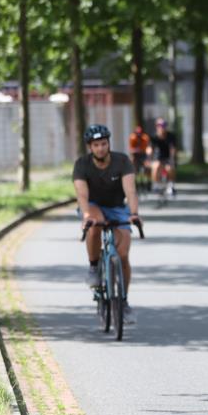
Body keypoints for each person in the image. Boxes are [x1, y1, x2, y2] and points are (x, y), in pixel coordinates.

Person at [73, 124, 141, 324]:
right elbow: (82, 195)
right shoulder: (82, 164)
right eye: (96, 145)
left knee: (123, 254)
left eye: (104, 144)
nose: (101, 148)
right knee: (96, 224)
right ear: (90, 147)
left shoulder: (122, 161)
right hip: (93, 206)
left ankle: (123, 301)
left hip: (118, 208)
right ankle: (94, 268)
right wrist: (86, 215)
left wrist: (134, 214)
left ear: (108, 143)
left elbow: (130, 191)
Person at [150, 117, 179, 197]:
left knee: (170, 168)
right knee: (156, 167)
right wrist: (148, 157)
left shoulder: (171, 136)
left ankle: (171, 186)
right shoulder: (154, 137)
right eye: (159, 125)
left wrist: (172, 160)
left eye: (163, 125)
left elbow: (173, 149)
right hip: (158, 157)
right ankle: (156, 185)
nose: (162, 127)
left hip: (168, 158)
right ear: (156, 126)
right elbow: (150, 148)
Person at [128, 125, 151, 190]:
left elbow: (147, 147)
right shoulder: (132, 138)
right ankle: (135, 183)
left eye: (140, 134)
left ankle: (148, 183)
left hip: (143, 154)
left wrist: (148, 155)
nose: (138, 135)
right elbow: (131, 149)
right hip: (136, 155)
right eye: (137, 133)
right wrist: (136, 150)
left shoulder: (145, 138)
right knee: (133, 167)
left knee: (147, 167)